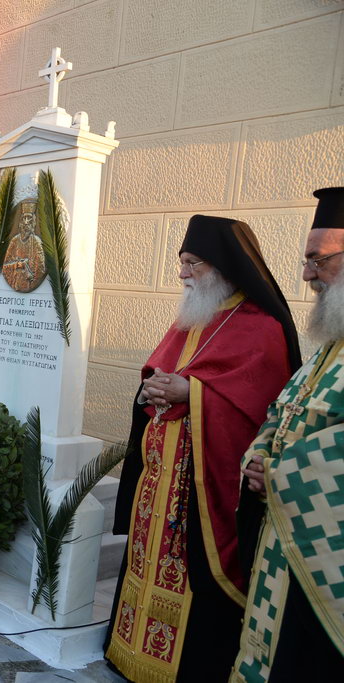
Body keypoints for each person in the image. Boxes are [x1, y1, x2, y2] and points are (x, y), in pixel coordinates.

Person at [104, 215, 301, 682]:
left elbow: (255, 408)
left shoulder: (261, 326)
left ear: (223, 266)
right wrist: (152, 390)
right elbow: (161, 372)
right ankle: (131, 653)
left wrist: (189, 393)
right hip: (159, 482)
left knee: (194, 573)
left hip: (201, 487)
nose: (182, 273)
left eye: (193, 263)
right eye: (182, 262)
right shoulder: (192, 317)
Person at [233, 187, 344, 681]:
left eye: (319, 261)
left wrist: (279, 473)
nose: (306, 275)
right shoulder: (330, 344)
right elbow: (284, 412)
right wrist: (259, 457)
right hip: (286, 543)